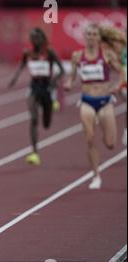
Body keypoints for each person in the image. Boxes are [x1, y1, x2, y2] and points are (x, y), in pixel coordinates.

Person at [64, 24, 125, 190]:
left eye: (94, 34)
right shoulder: (77, 56)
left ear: (99, 37)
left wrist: (118, 85)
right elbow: (72, 76)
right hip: (86, 101)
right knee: (89, 138)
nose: (91, 36)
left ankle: (103, 156)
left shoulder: (107, 54)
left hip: (105, 101)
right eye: (88, 34)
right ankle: (96, 175)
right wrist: (69, 82)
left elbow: (122, 72)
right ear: (85, 36)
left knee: (110, 143)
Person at [9, 28, 65, 166]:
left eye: (37, 38)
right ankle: (34, 152)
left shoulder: (50, 52)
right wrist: (15, 78)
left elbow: (62, 70)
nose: (34, 40)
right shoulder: (27, 53)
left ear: (42, 39)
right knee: (33, 118)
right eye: (32, 38)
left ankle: (49, 110)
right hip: (34, 87)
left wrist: (53, 82)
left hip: (46, 88)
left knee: (46, 124)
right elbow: (22, 65)